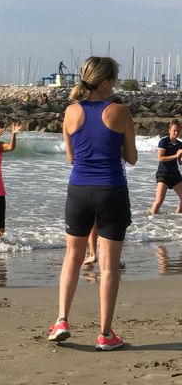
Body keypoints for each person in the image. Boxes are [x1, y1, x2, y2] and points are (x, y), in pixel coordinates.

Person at [48, 57, 137, 351]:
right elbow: (132, 157)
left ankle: (61, 319)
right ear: (106, 82)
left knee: (72, 257)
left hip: (78, 190)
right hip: (111, 189)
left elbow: (72, 158)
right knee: (109, 265)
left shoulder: (71, 111)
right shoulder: (120, 111)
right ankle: (105, 334)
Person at [149, 118, 182, 215]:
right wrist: (176, 155)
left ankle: (177, 219)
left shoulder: (180, 144)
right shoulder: (164, 142)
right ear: (169, 130)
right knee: (159, 201)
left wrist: (180, 157)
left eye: (178, 131)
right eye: (174, 130)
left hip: (175, 174)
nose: (176, 133)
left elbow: (180, 162)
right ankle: (150, 221)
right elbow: (160, 158)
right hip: (163, 174)